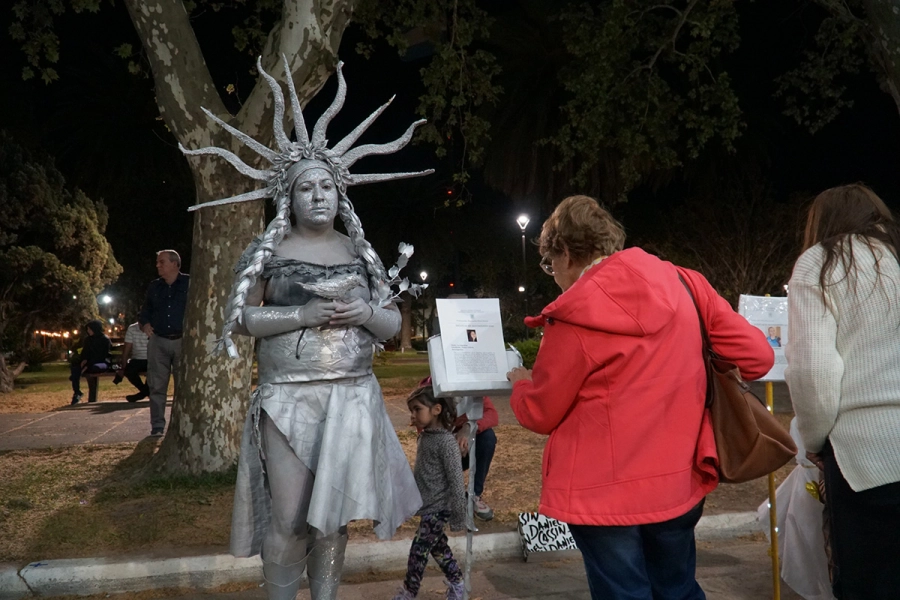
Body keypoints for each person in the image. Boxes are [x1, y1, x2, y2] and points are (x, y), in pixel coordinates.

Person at [181, 58, 429, 600]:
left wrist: (362, 313)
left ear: (341, 194)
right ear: (287, 198)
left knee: (331, 519)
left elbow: (389, 324)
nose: (317, 195)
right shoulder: (266, 253)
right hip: (288, 399)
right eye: (305, 188)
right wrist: (300, 316)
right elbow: (244, 319)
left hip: (351, 396)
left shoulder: (358, 253)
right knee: (290, 517)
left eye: (326, 186)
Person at [506, 195, 773, 600]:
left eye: (550, 263)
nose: (553, 274)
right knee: (678, 589)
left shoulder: (572, 314)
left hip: (602, 495)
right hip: (679, 480)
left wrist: (522, 383)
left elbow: (540, 413)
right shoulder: (687, 283)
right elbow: (757, 356)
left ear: (563, 251)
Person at [785, 183, 900, 600]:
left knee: (867, 582)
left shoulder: (820, 262)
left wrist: (813, 439)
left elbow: (814, 370)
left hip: (864, 459)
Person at [392, 385, 466, 600]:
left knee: (418, 552)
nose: (413, 415)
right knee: (439, 550)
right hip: (427, 507)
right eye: (411, 410)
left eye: (417, 409)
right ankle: (458, 585)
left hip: (439, 508)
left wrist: (458, 516)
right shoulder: (425, 437)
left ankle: (408, 593)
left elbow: (456, 481)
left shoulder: (446, 443)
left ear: (436, 409)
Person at [138, 249, 189, 437]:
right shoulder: (154, 287)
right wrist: (145, 325)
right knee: (157, 386)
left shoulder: (190, 283)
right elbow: (144, 312)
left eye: (162, 262)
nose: (158, 265)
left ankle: (182, 425)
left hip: (183, 341)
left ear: (175, 264)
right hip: (158, 341)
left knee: (183, 386)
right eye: (157, 262)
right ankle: (157, 426)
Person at [454, 396, 497, 521]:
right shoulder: (430, 387)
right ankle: (447, 498)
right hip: (441, 448)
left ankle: (474, 495)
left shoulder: (472, 387)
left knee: (488, 437)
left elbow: (491, 414)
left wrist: (469, 427)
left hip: (464, 448)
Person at [69, 319, 112, 405]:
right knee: (75, 368)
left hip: (101, 363)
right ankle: (77, 392)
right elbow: (85, 353)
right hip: (89, 363)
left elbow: (103, 355)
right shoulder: (88, 340)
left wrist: (88, 362)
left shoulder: (105, 340)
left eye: (89, 329)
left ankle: (79, 373)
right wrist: (84, 360)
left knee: (93, 367)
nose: (88, 331)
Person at [115, 321, 150, 402]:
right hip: (137, 359)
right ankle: (145, 392)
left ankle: (143, 394)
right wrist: (123, 364)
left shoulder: (153, 327)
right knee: (129, 371)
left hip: (151, 358)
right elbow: (127, 348)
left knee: (154, 370)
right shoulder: (132, 328)